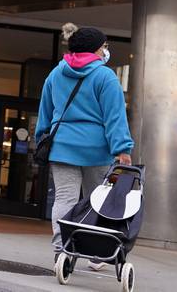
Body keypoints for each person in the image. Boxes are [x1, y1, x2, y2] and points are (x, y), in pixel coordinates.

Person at [36, 23, 133, 269]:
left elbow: (45, 111)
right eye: (104, 46)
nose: (106, 51)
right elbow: (115, 116)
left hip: (62, 147)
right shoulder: (105, 76)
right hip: (97, 150)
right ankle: (96, 252)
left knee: (65, 199)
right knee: (98, 201)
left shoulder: (56, 74)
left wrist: (41, 138)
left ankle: (61, 250)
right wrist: (122, 148)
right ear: (95, 49)